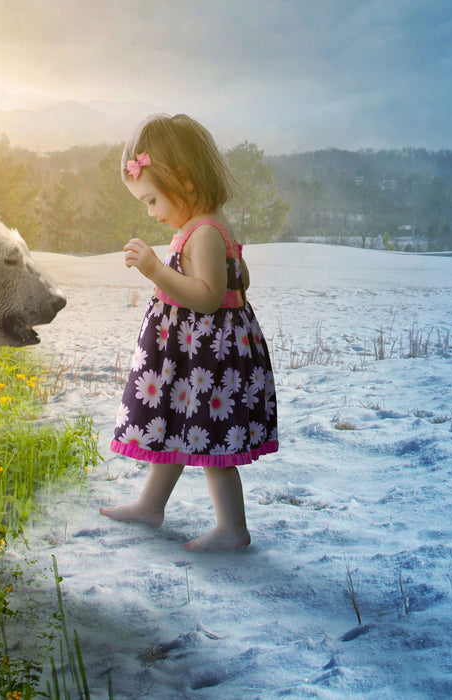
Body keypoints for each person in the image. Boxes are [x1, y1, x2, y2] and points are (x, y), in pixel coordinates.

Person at [99, 114, 279, 552]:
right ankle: (150, 505)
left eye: (152, 200)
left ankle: (233, 529)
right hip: (192, 357)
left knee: (210, 443)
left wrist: (155, 270)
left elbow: (208, 297)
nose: (150, 212)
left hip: (207, 362)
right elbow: (242, 281)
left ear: (185, 183)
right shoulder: (202, 228)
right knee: (177, 430)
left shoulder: (205, 234)